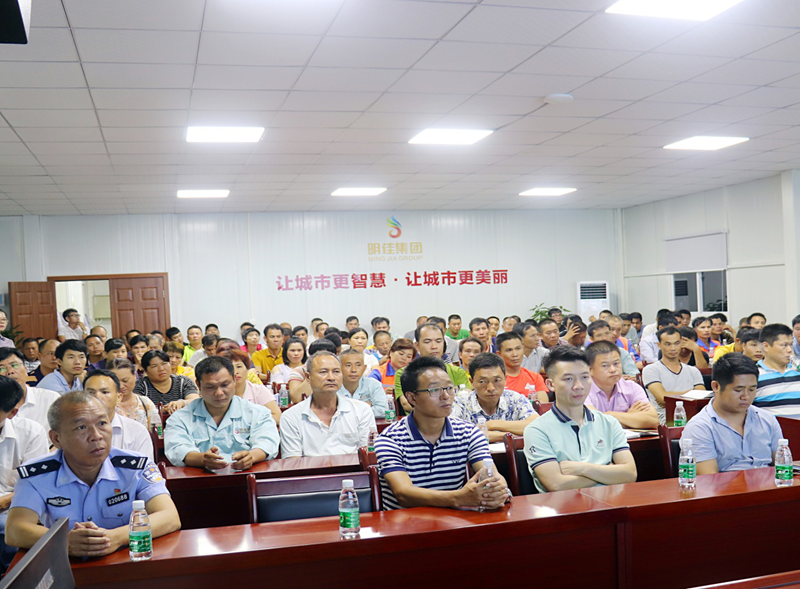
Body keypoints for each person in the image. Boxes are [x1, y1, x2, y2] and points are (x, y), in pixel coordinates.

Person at [6, 392, 180, 557]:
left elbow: (170, 517)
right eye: (81, 427)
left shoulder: (136, 467)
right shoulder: (36, 475)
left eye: (102, 423)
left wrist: (117, 537)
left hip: (126, 560)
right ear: (57, 439)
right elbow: (14, 530)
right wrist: (64, 540)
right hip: (68, 565)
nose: (96, 436)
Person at [375, 356, 509, 510]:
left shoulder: (469, 433)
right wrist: (458, 498)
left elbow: (492, 475)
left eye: (449, 388)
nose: (446, 396)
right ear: (412, 398)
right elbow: (403, 494)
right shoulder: (390, 439)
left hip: (453, 519)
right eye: (434, 390)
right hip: (405, 521)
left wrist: (498, 491)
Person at [523, 346, 637, 493]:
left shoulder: (609, 423)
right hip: (564, 505)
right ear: (551, 385)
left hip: (611, 503)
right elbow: (556, 485)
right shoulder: (537, 430)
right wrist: (609, 473)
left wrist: (582, 468)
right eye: (568, 379)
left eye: (584, 377)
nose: (578, 386)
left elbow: (630, 474)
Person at [164, 356, 279, 469]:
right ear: (198, 385)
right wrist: (202, 459)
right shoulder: (179, 418)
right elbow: (176, 448)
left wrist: (251, 457)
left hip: (247, 475)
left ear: (234, 380)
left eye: (225, 385)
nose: (219, 393)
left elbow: (267, 442)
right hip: (199, 478)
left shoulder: (257, 413)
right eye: (210, 387)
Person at [684, 354, 783, 474]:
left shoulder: (767, 419)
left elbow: (783, 467)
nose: (746, 396)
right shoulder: (700, 427)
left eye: (752, 389)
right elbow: (709, 480)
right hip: (727, 485)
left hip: (769, 484)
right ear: (716, 386)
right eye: (738, 390)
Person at [280, 351, 375, 457]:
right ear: (308, 377)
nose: (331, 378)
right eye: (323, 372)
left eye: (336, 372)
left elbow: (369, 455)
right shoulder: (291, 417)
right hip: (310, 468)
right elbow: (293, 461)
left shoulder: (361, 410)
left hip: (355, 468)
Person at [0, 376, 49, 573]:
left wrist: (4, 502)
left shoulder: (30, 433)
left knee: (8, 528)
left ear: (12, 413)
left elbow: (37, 486)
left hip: (14, 507)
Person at [451, 352, 537, 441]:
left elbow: (536, 426)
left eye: (497, 380)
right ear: (472, 382)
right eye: (482, 382)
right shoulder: (460, 403)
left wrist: (493, 424)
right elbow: (456, 433)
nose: (491, 388)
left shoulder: (515, 399)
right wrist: (509, 436)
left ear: (505, 379)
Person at [394, 324, 470, 415]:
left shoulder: (457, 371)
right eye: (427, 342)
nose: (434, 346)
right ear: (417, 345)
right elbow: (406, 405)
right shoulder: (404, 373)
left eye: (438, 341)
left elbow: (467, 400)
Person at [83, 370, 154, 462]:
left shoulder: (137, 431)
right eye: (91, 393)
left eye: (104, 392)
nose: (97, 397)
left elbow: (145, 468)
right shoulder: (71, 431)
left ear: (118, 398)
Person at [585, 341, 658, 429]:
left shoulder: (632, 387)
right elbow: (592, 423)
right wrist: (629, 417)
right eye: (605, 365)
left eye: (616, 363)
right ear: (590, 370)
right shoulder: (582, 390)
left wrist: (610, 415)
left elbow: (653, 420)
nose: (613, 370)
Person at [642, 327, 706, 424]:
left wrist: (670, 397)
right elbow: (662, 398)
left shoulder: (693, 370)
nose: (673, 348)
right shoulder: (651, 369)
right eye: (668, 344)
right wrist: (692, 394)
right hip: (665, 419)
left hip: (694, 417)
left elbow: (702, 395)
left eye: (677, 343)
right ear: (659, 345)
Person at [0, 348, 59, 433]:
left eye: (14, 365)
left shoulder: (51, 398)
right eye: (2, 368)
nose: (10, 371)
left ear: (25, 369)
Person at [216, 349, 281, 424]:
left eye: (239, 366)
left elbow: (277, 417)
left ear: (247, 369)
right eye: (230, 368)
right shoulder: (217, 393)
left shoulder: (259, 390)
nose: (235, 372)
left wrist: (248, 423)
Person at [753, 323, 800, 417]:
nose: (789, 350)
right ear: (766, 346)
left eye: (791, 344)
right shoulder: (754, 375)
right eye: (784, 345)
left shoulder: (797, 370)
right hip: (770, 426)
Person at [133, 350, 200, 415]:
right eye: (154, 366)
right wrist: (162, 410)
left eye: (164, 364)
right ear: (145, 370)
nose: (161, 369)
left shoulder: (183, 381)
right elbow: (137, 408)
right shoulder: (140, 386)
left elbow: (195, 401)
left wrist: (181, 403)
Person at [108, 358, 160, 432]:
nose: (121, 386)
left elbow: (156, 432)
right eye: (115, 382)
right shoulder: (105, 404)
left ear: (135, 376)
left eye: (125, 380)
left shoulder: (145, 403)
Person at [495, 332, 548, 401]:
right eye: (509, 350)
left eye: (518, 349)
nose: (515, 354)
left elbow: (543, 404)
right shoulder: (494, 379)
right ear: (499, 354)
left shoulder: (534, 377)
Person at [338, 349, 388, 419]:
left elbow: (383, 411)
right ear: (338, 368)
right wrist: (364, 407)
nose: (353, 370)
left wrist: (346, 412)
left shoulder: (373, 384)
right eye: (348, 365)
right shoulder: (333, 387)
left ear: (364, 368)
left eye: (358, 365)